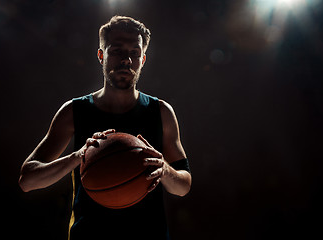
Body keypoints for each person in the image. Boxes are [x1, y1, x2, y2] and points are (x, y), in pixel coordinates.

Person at [18, 15, 192, 239]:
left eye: (134, 53)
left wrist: (165, 169)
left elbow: (184, 185)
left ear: (143, 59)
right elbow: (27, 180)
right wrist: (76, 157)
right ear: (101, 55)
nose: (126, 60)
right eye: (118, 50)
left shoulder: (161, 112)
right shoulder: (74, 111)